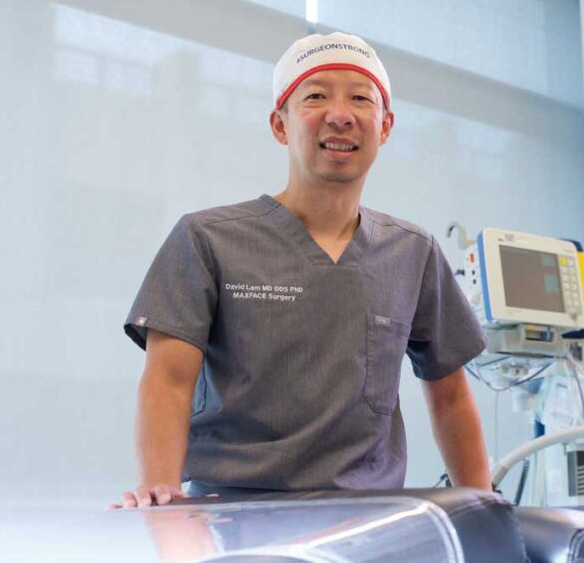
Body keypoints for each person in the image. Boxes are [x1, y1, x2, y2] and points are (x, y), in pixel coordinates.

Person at [113, 32, 491, 509]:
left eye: (360, 98)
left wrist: (486, 510)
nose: (340, 114)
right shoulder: (207, 240)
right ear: (279, 124)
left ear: (386, 125)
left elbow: (451, 395)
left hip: (370, 520)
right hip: (233, 514)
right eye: (315, 96)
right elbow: (168, 381)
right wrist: (160, 493)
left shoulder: (411, 252)